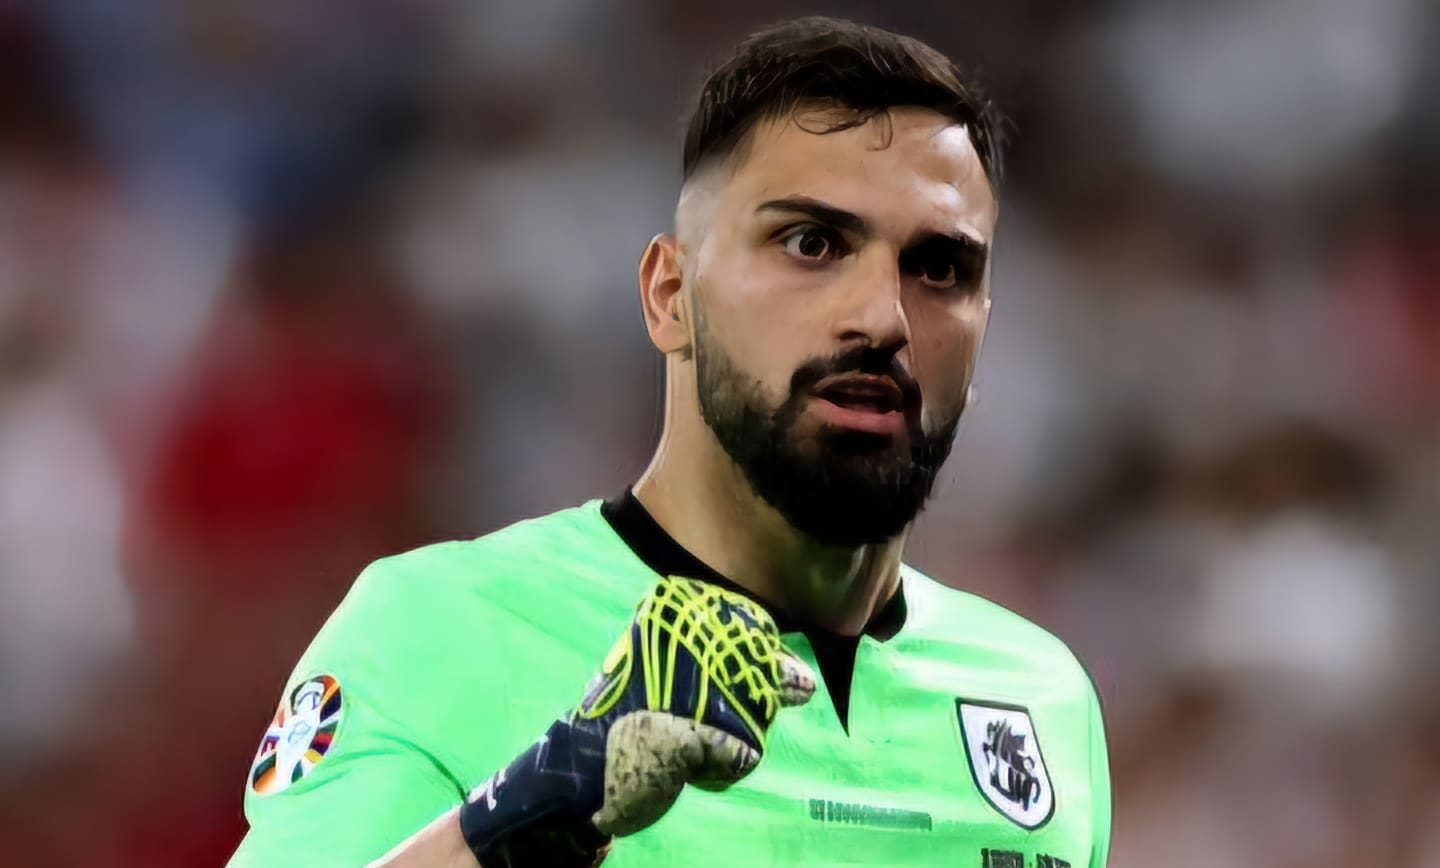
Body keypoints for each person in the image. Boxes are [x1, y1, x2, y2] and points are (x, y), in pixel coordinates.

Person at [228, 17, 1111, 868]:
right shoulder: (440, 631)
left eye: (939, 268)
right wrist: (549, 804)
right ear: (668, 294)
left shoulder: (1040, 696)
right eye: (811, 244)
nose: (884, 318)